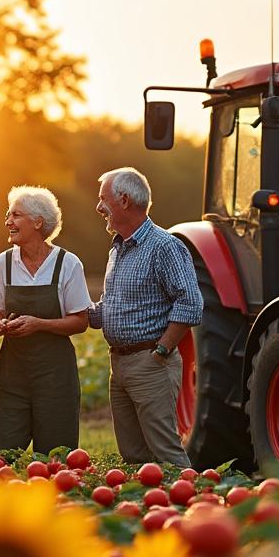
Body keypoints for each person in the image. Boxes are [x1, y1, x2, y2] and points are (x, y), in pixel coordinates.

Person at [88, 167, 202, 467]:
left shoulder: (165, 246)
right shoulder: (118, 249)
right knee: (133, 455)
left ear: (124, 201)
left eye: (103, 199)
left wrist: (162, 350)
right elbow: (110, 306)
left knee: (166, 452)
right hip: (119, 364)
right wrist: (72, 309)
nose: (98, 207)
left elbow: (190, 302)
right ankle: (146, 498)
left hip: (151, 362)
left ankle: (189, 496)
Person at [0, 186, 92, 455]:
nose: (8, 222)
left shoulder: (68, 264)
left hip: (56, 378)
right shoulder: (3, 263)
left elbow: (81, 321)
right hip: (12, 375)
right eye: (8, 215)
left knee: (56, 459)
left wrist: (39, 324)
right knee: (3, 456)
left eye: (15, 215)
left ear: (38, 222)